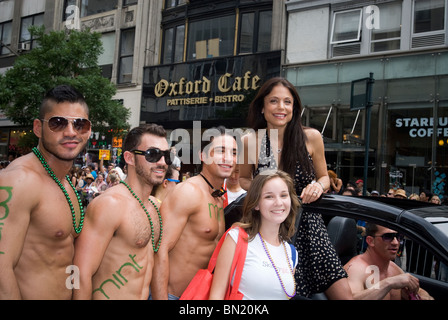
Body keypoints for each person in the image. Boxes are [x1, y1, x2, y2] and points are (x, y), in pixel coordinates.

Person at [238, 77, 351, 299]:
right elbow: (243, 179)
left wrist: (318, 186)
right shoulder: (250, 141)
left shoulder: (311, 137)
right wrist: (267, 192)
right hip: (270, 228)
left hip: (309, 226)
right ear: (262, 107)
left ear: (294, 108)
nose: (281, 107)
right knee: (283, 292)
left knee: (343, 295)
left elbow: (324, 177)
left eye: (287, 102)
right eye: (274, 101)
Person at [0, 85, 91, 299]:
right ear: (38, 128)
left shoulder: (66, 184)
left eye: (80, 124)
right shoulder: (19, 181)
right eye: (57, 123)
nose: (71, 132)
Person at [73, 123, 170, 300]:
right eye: (153, 154)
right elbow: (79, 273)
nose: (162, 162)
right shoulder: (110, 204)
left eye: (166, 155)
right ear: (130, 158)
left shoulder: (154, 207)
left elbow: (154, 267)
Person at [151, 126, 238, 300]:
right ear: (203, 156)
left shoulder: (218, 198)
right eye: (220, 151)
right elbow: (159, 250)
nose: (228, 158)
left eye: (234, 153)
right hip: (170, 295)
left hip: (198, 296)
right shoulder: (188, 191)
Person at [209, 170, 299, 300]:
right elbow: (216, 296)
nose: (278, 202)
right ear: (256, 203)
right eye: (269, 196)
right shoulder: (236, 239)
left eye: (284, 195)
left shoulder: (291, 253)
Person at [344, 223, 433, 300]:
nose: (395, 242)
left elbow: (417, 290)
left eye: (398, 237)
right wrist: (389, 283)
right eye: (387, 237)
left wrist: (423, 295)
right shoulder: (356, 268)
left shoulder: (392, 268)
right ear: (370, 241)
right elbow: (348, 298)